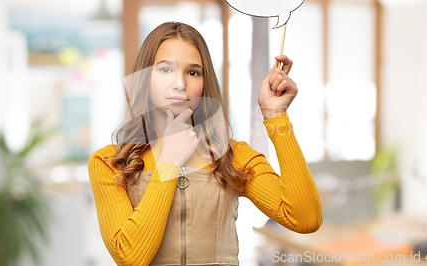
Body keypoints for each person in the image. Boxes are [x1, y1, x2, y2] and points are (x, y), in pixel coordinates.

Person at [88, 22, 323, 266]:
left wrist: (276, 116)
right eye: (165, 70)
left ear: (204, 83)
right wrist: (168, 162)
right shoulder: (109, 163)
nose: (180, 83)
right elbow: (130, 258)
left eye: (193, 72)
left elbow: (305, 218)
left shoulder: (233, 156)